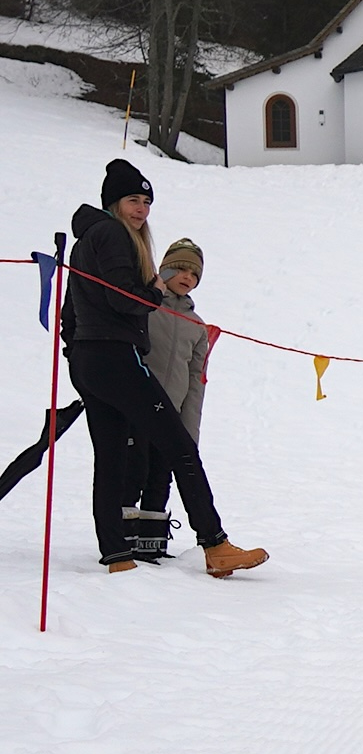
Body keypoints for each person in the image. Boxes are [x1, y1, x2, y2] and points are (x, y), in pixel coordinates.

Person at [63, 159, 267, 577]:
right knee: (179, 446)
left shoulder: (86, 240)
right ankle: (215, 544)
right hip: (116, 357)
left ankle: (117, 555)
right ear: (114, 203)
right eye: (133, 200)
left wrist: (77, 353)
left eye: (146, 202)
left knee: (111, 459)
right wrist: (154, 291)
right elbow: (124, 298)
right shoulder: (113, 234)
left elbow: (71, 313)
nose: (141, 210)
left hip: (89, 359)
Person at [126, 237, 209, 561]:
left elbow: (195, 381)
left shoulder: (197, 326)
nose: (188, 276)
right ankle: (123, 539)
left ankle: (151, 543)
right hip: (138, 406)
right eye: (182, 268)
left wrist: (189, 430)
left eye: (195, 273)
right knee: (133, 471)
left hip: (171, 414)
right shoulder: (146, 306)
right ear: (166, 269)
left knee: (161, 476)